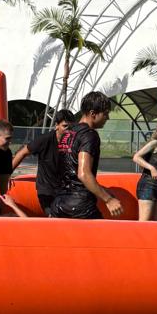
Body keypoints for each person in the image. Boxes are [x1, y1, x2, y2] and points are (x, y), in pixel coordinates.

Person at [50, 91, 123, 219]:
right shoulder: (89, 134)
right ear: (93, 114)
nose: (107, 118)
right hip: (81, 206)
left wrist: (101, 190)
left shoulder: (67, 133)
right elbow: (83, 174)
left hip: (58, 203)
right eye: (105, 114)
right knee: (103, 233)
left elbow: (69, 171)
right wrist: (108, 199)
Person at [10, 109, 74, 215]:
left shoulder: (73, 141)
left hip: (64, 189)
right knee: (53, 217)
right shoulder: (45, 140)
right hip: (46, 190)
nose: (68, 130)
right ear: (56, 126)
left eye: (71, 127)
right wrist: (7, 173)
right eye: (65, 126)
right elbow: (22, 153)